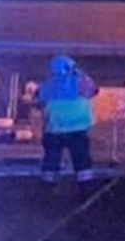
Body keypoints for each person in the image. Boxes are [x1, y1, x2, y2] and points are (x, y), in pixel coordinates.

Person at [34, 55, 96, 184]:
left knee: (51, 160)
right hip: (78, 129)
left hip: (54, 129)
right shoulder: (81, 83)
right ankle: (86, 187)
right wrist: (81, 74)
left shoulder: (47, 85)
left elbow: (37, 100)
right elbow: (94, 90)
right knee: (82, 160)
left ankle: (47, 188)